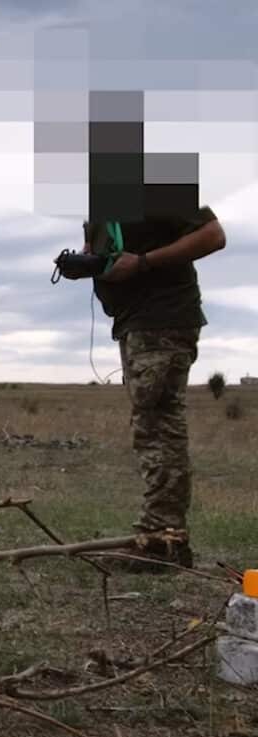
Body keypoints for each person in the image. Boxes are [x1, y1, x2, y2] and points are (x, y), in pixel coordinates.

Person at [78, 204, 226, 569]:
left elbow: (213, 235)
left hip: (163, 318)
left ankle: (164, 541)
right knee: (152, 427)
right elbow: (105, 254)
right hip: (136, 321)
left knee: (159, 427)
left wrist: (144, 262)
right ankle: (159, 534)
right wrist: (84, 263)